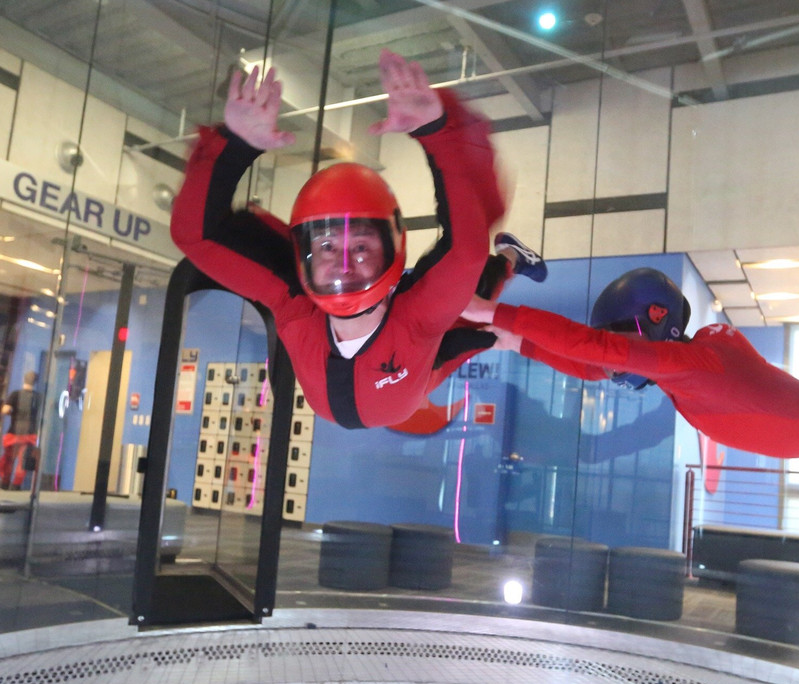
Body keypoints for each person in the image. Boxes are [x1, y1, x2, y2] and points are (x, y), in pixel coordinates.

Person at [171, 49, 545, 430]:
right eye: (328, 246)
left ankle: (512, 257)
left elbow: (466, 253)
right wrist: (235, 145)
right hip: (411, 381)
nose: (343, 263)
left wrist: (234, 146)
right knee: (472, 311)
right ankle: (509, 269)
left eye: (362, 246)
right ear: (306, 254)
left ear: (392, 249)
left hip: (416, 380)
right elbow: (198, 235)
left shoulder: (327, 310)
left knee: (478, 300)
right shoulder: (296, 300)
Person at [460, 267, 799, 513]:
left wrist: (496, 311)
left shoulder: (697, 364)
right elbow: (597, 367)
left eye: (616, 336)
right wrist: (513, 344)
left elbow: (598, 353)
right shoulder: (683, 375)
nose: (611, 353)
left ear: (653, 319)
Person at [0, 370, 41, 490]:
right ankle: (16, 485)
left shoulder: (15, 394)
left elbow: (5, 410)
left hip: (14, 433)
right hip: (29, 434)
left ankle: (5, 482)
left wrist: (13, 413)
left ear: (24, 379)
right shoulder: (37, 397)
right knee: (23, 461)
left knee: (9, 459)